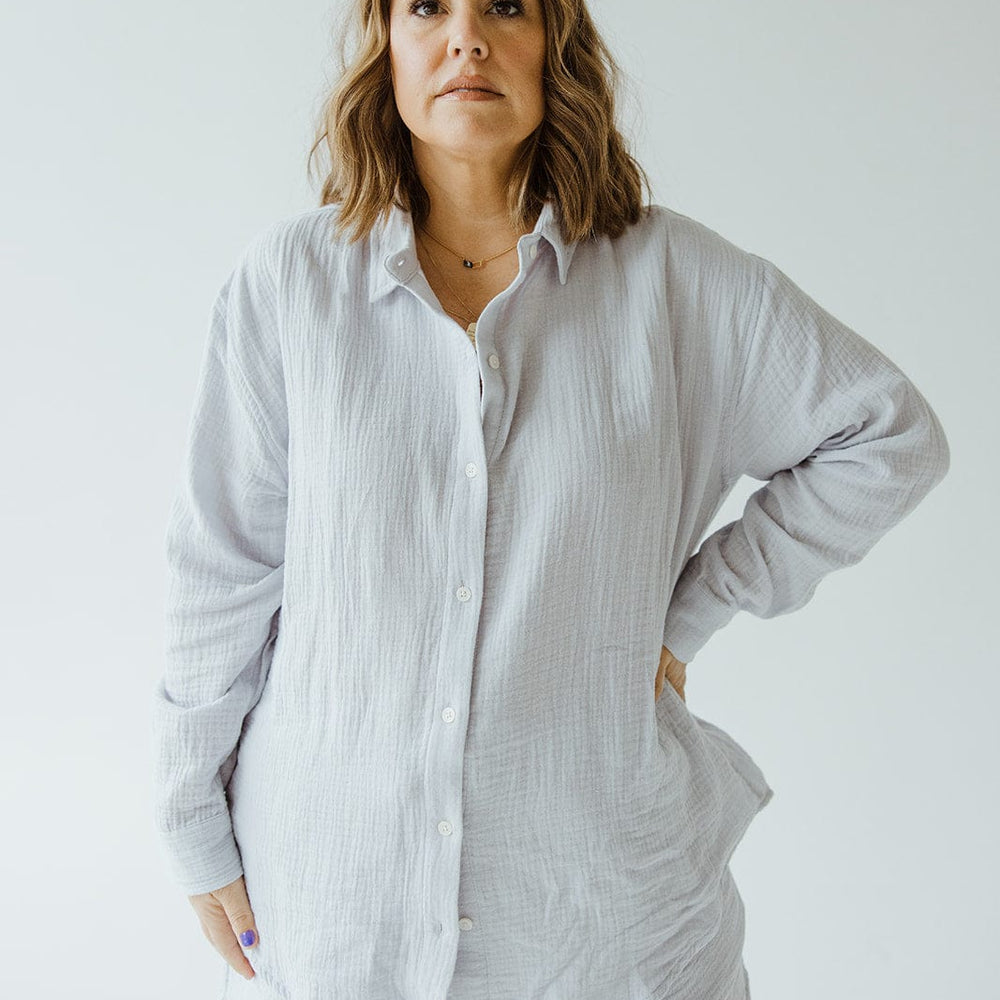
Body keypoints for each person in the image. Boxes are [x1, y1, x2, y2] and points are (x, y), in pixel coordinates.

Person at [149, 0, 950, 997]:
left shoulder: (677, 283)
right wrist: (190, 822)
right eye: (427, 8)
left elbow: (885, 434)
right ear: (385, 48)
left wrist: (688, 610)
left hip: (605, 926)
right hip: (344, 911)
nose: (467, 37)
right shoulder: (289, 290)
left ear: (554, 48)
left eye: (507, 8)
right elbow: (222, 570)